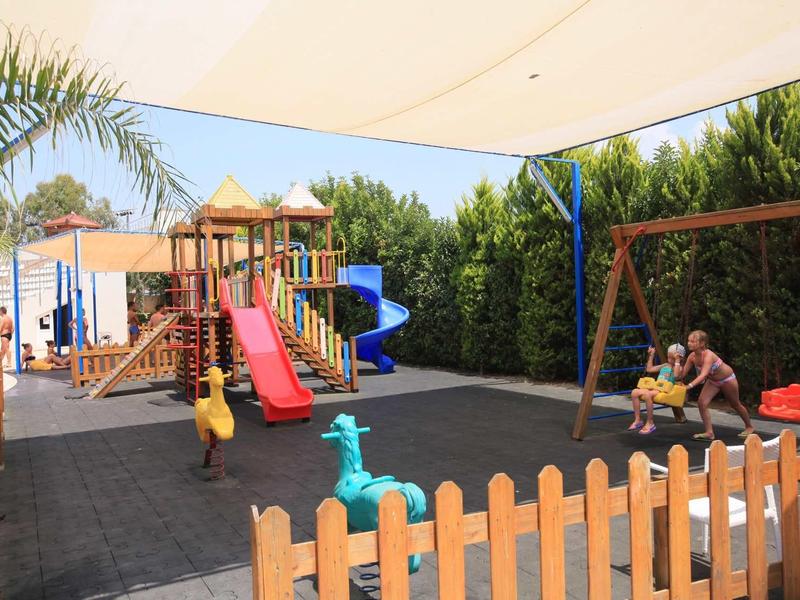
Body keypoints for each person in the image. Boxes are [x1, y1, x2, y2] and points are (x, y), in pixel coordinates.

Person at [678, 330, 754, 441]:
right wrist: (676, 362)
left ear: (702, 343)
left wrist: (688, 386)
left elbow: (703, 375)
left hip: (727, 379)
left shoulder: (708, 356)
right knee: (702, 403)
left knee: (735, 404)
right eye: (689, 341)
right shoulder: (692, 357)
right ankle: (709, 433)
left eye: (693, 341)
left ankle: (749, 426)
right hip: (713, 381)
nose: (689, 343)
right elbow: (681, 375)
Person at [628, 343, 685, 435]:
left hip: (666, 391)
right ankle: (638, 420)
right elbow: (649, 369)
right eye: (668, 357)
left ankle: (650, 423)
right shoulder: (665, 365)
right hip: (656, 388)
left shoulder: (678, 368)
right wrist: (651, 355)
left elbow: (676, 375)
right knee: (634, 392)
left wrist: (677, 361)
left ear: (680, 358)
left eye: (672, 358)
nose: (670, 360)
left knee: (647, 395)